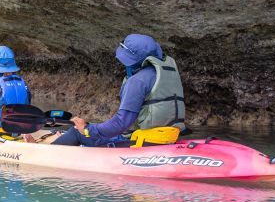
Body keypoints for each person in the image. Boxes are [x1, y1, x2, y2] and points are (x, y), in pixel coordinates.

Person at [50, 34, 186, 147]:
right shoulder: (164, 74)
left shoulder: (137, 81)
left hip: (148, 143)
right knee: (99, 131)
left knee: (76, 133)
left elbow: (121, 123)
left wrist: (87, 129)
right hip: (169, 137)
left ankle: (48, 153)